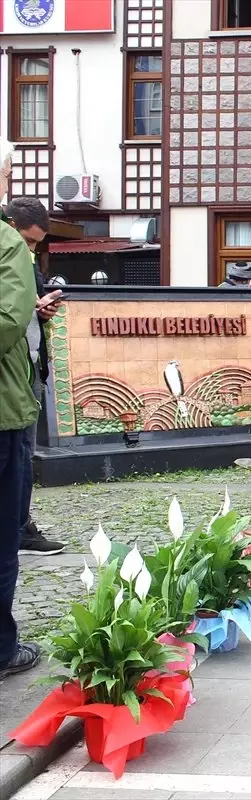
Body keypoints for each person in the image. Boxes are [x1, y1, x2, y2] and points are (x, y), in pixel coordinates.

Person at [0, 195, 49, 678]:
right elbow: (9, 323)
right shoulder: (7, 243)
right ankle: (1, 649)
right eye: (30, 241)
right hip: (5, 412)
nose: (32, 252)